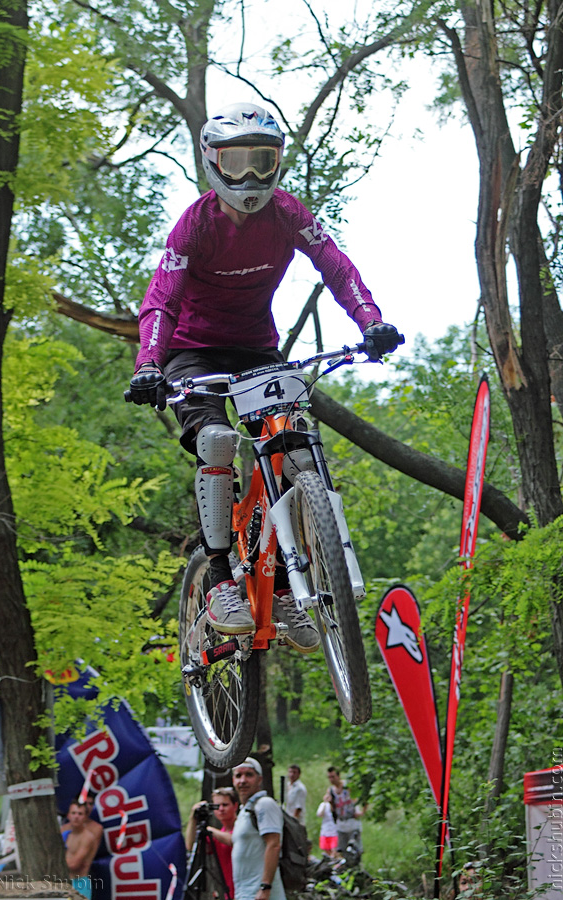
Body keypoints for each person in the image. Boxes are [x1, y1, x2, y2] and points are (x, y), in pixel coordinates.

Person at [127, 102, 402, 647]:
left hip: (257, 349)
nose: (250, 176)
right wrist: (148, 365)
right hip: (192, 353)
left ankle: (282, 589)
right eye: (236, 162)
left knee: (293, 452)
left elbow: (336, 267)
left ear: (277, 162)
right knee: (218, 440)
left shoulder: (287, 214)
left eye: (263, 160)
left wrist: (372, 322)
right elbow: (161, 299)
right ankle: (221, 582)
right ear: (212, 162)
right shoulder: (196, 224)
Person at [231, 757, 285, 900]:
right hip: (245, 892)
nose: (243, 780)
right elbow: (236, 842)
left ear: (259, 779)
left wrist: (265, 887)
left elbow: (273, 844)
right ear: (233, 781)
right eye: (238, 775)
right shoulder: (245, 811)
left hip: (260, 893)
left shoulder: (264, 804)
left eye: (249, 775)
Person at [185, 786, 239, 899]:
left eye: (225, 805)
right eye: (216, 806)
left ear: (235, 806)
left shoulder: (242, 827)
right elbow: (190, 846)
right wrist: (193, 817)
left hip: (246, 888)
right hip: (230, 891)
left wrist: (209, 830)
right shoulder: (218, 835)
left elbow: (234, 840)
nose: (221, 809)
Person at [61, 801, 100, 899]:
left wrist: (57, 860)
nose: (76, 816)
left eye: (80, 814)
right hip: (65, 882)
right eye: (73, 813)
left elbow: (74, 865)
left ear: (85, 817)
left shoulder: (87, 837)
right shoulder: (67, 834)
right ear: (68, 815)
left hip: (80, 883)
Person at [326, 766, 363, 859]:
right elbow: (332, 809)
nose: (331, 780)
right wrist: (330, 802)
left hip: (352, 820)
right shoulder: (331, 791)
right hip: (341, 822)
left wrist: (361, 811)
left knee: (355, 847)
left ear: (338, 776)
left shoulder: (348, 786)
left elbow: (360, 797)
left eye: (333, 777)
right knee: (342, 849)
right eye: (329, 777)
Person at [316, 789, 338, 858]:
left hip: (335, 830)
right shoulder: (323, 805)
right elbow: (319, 814)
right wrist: (325, 803)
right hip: (325, 830)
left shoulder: (337, 804)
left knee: (335, 849)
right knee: (326, 848)